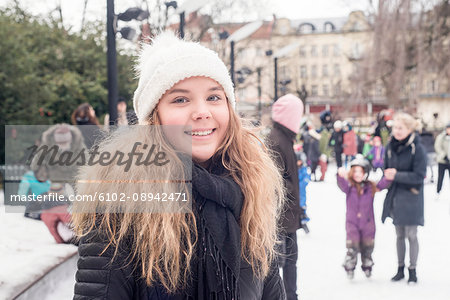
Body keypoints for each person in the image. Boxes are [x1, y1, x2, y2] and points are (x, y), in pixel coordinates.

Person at [72, 31, 286, 299]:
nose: (202, 112)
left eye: (214, 97)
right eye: (181, 99)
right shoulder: (120, 199)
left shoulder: (251, 189)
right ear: (154, 116)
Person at [382, 112, 427, 284]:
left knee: (412, 235)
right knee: (399, 235)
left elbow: (420, 176)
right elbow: (387, 169)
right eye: (395, 127)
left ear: (409, 129)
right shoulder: (390, 146)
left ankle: (412, 269)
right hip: (395, 197)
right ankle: (400, 268)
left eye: (401, 128)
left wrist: (397, 175)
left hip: (412, 197)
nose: (397, 131)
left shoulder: (417, 148)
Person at [267, 94, 304, 300]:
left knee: (290, 260)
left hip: (288, 213)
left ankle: (291, 295)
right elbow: (274, 180)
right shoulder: (276, 139)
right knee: (280, 262)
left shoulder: (284, 138)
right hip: (280, 215)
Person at [337, 156, 391, 279]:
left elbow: (381, 185)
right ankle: (350, 267)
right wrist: (340, 175)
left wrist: (388, 178)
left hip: (368, 223)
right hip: (352, 224)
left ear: (365, 173)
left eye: (360, 172)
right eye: (355, 171)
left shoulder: (370, 187)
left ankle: (367, 266)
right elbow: (341, 184)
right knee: (352, 247)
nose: (357, 174)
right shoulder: (349, 187)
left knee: (368, 247)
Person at [434, 123, 450, 200]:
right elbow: (437, 146)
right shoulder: (441, 137)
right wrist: (444, 155)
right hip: (442, 161)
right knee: (440, 177)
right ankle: (438, 192)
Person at [296, 151, 311, 233]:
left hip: (301, 193)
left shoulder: (303, 169)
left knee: (302, 207)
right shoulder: (294, 169)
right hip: (295, 192)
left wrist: (301, 184)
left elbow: (306, 178)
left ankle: (304, 222)